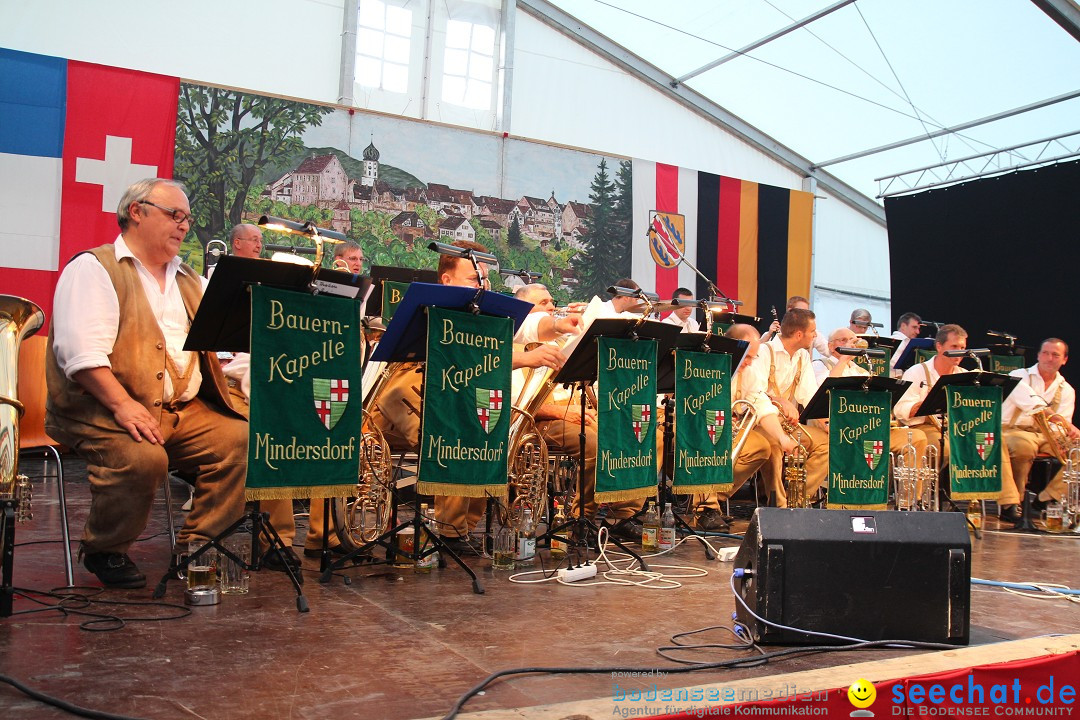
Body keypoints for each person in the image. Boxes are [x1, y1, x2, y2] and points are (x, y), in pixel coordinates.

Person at [45, 178, 248, 588]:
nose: (183, 226)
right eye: (174, 215)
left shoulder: (189, 278)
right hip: (100, 407)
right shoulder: (94, 268)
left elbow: (228, 334)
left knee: (241, 440)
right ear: (136, 212)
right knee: (143, 459)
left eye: (187, 219)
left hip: (179, 411)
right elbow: (82, 357)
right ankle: (106, 549)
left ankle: (199, 548)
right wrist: (123, 405)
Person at [368, 240, 564, 554]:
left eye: (484, 279)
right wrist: (525, 357)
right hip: (407, 390)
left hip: (453, 391)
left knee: (485, 432)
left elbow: (511, 336)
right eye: (474, 279)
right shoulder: (428, 307)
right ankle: (451, 531)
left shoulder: (480, 312)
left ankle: (460, 531)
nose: (482, 285)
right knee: (457, 430)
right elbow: (458, 353)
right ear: (446, 280)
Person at [218, 224, 336, 569]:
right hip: (243, 391)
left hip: (289, 389)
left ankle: (325, 534)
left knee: (332, 428)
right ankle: (277, 538)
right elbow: (242, 371)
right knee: (274, 430)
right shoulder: (250, 303)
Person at [510, 283, 649, 541]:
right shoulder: (514, 345)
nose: (552, 307)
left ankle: (624, 515)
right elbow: (517, 404)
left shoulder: (563, 339)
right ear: (524, 310)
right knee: (594, 445)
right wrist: (563, 412)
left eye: (552, 301)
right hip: (538, 418)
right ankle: (580, 519)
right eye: (543, 303)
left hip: (573, 411)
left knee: (630, 436)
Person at [893, 324, 1022, 522]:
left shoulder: (963, 374)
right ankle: (920, 500)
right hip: (924, 427)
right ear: (939, 346)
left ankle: (1008, 503)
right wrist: (926, 403)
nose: (959, 352)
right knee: (940, 446)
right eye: (954, 346)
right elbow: (900, 409)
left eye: (962, 347)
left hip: (958, 429)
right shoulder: (917, 372)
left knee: (993, 442)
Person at [691, 324, 798, 531]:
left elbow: (761, 405)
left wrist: (782, 438)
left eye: (753, 357)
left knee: (763, 448)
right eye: (746, 356)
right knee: (710, 440)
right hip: (698, 425)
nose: (749, 363)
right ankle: (705, 508)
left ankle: (716, 497)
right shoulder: (706, 364)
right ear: (732, 347)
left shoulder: (748, 372)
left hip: (727, 425)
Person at [812, 326, 928, 461]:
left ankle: (902, 482)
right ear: (831, 347)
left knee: (916, 437)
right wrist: (843, 360)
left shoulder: (862, 372)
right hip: (838, 431)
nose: (850, 344)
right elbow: (825, 393)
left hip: (866, 430)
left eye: (853, 341)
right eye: (843, 340)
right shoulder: (819, 365)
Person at [750, 308, 829, 506]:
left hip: (788, 423)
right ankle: (779, 505)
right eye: (813, 331)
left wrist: (826, 422)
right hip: (760, 421)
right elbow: (753, 392)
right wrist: (780, 401)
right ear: (799, 334)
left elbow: (809, 396)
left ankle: (798, 499)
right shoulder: (764, 351)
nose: (815, 335)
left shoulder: (802, 356)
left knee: (827, 444)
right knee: (775, 446)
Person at [1002, 339, 1080, 509]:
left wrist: (1060, 440)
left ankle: (1048, 498)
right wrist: (1061, 423)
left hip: (1045, 436)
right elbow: (1034, 405)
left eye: (1055, 355)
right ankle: (1013, 503)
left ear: (1064, 360)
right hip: (1014, 431)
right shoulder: (1018, 375)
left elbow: (1060, 426)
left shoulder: (1067, 389)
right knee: (1023, 447)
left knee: (1077, 449)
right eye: (1045, 353)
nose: (1049, 358)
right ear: (1038, 355)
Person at [762, 296, 828, 358]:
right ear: (790, 311)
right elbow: (754, 351)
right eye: (802, 311)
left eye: (807, 311)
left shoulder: (812, 333)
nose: (806, 315)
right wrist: (768, 335)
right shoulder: (772, 333)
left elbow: (828, 350)